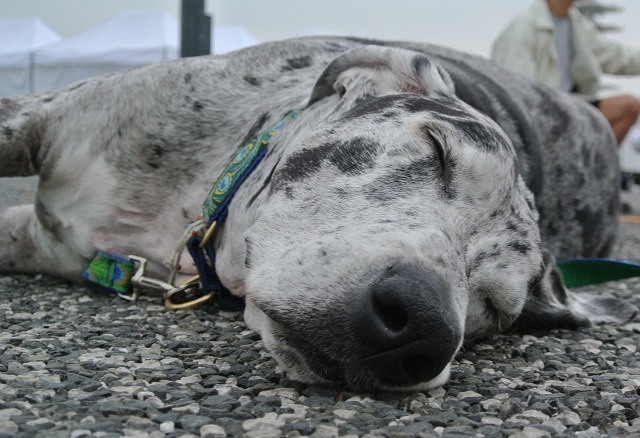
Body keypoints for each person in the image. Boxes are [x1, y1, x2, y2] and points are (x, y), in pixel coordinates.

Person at [491, 0, 640, 144]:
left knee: (629, 106)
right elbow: (514, 95)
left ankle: (596, 165)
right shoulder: (523, 28)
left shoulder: (576, 22)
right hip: (542, 114)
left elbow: (617, 56)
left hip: (573, 107)